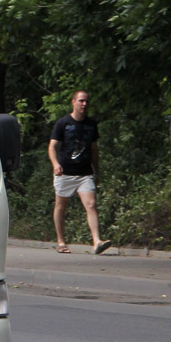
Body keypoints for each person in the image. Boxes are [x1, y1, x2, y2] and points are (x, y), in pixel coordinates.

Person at [48, 90, 111, 255]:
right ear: (73, 102)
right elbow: (52, 147)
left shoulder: (91, 124)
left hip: (84, 173)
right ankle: (61, 242)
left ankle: (97, 241)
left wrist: (96, 171)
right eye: (81, 101)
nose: (84, 104)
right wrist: (55, 164)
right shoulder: (63, 123)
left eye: (87, 102)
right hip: (65, 172)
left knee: (91, 204)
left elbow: (94, 149)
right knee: (61, 206)